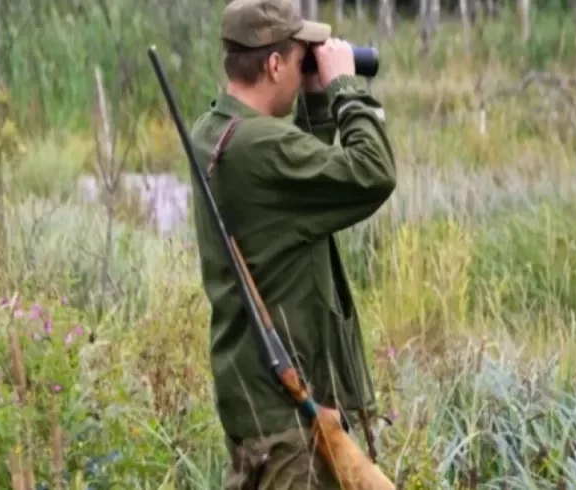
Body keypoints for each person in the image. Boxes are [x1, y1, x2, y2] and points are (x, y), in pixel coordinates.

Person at [187, 0, 397, 488]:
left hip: (252, 399)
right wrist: (345, 87)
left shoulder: (213, 132)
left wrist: (315, 100)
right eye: (301, 53)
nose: (309, 60)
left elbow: (299, 180)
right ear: (275, 63)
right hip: (287, 420)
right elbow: (373, 172)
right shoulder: (260, 147)